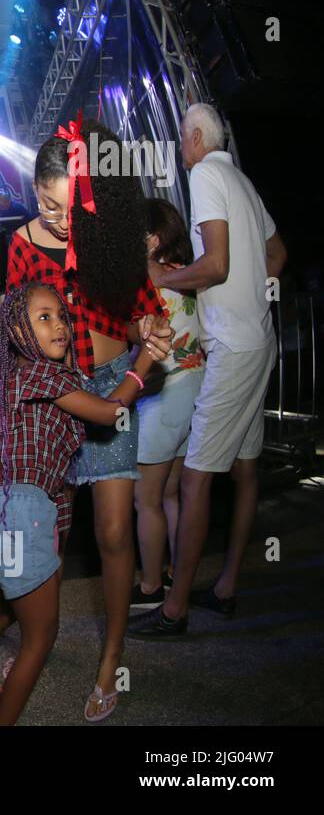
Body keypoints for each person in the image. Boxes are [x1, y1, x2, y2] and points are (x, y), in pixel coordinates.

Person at [5, 114, 172, 721]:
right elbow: (19, 331)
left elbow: (137, 317)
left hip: (111, 386)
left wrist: (148, 331)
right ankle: (34, 642)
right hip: (55, 396)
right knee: (45, 537)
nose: (55, 219)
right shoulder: (23, 244)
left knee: (112, 532)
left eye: (66, 208)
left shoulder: (111, 241)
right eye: (45, 204)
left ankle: (111, 662)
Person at [0, 282, 157, 724]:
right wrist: (144, 361)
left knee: (3, 613)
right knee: (41, 639)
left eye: (61, 316)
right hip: (19, 517)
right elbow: (110, 411)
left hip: (4, 515)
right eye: (43, 317)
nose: (59, 324)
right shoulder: (36, 373)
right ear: (17, 329)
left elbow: (54, 474)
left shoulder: (30, 377)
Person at [129, 103, 287, 638]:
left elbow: (215, 264)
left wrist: (161, 276)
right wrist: (248, 299)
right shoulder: (242, 180)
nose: (180, 149)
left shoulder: (205, 174)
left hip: (234, 349)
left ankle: (173, 610)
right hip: (259, 339)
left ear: (196, 138)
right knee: (244, 470)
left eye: (181, 139)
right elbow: (278, 255)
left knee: (196, 479)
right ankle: (225, 587)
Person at [131, 199, 206, 611]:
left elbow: (140, 341)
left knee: (147, 499)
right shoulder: (187, 275)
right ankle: (177, 575)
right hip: (196, 387)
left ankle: (149, 587)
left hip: (166, 391)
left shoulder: (151, 278)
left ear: (153, 240)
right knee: (174, 494)